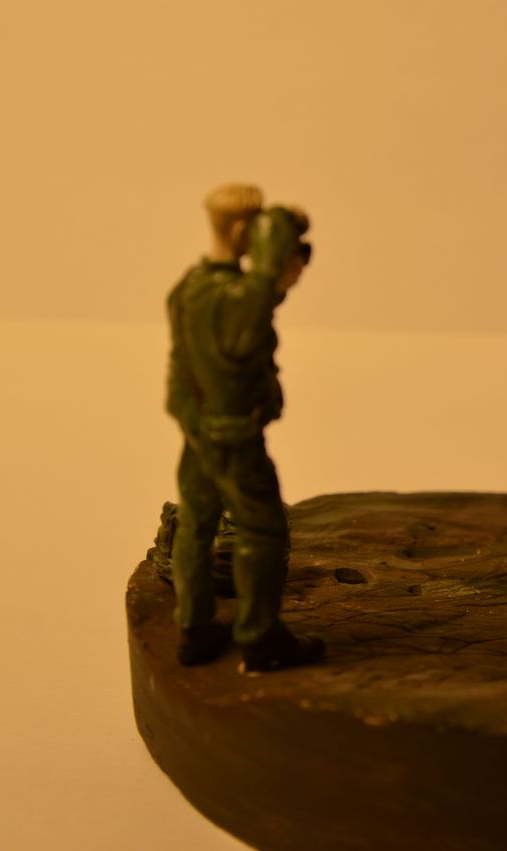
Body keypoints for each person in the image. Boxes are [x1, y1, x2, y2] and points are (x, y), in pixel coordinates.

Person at [165, 183, 323, 672]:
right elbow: (264, 287)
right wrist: (281, 231)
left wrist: (190, 420)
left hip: (198, 431)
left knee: (196, 525)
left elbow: (180, 367)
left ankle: (194, 627)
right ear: (240, 231)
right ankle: (260, 637)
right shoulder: (235, 298)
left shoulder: (188, 287)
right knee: (263, 530)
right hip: (233, 436)